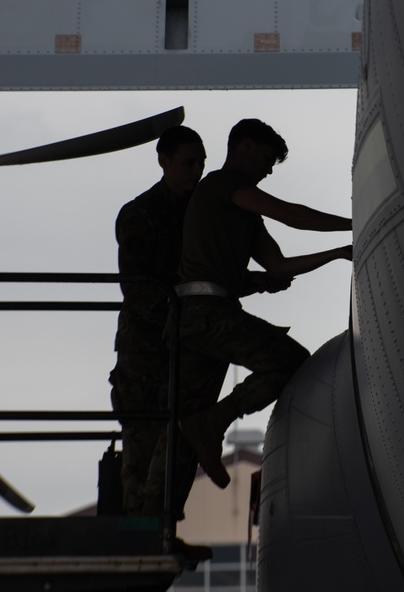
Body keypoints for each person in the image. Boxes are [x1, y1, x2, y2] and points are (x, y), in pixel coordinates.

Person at [153, 118, 351, 508]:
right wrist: (356, 224)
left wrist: (339, 253)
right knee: (289, 359)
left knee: (181, 424)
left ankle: (155, 516)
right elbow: (293, 215)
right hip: (205, 312)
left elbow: (277, 267)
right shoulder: (222, 185)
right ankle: (216, 421)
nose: (268, 169)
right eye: (266, 158)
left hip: (198, 319)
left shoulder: (241, 209)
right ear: (243, 147)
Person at [109, 125, 206, 517]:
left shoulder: (204, 210)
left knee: (181, 439)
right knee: (143, 441)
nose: (195, 170)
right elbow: (137, 287)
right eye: (187, 163)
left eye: (200, 163)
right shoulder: (140, 214)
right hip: (147, 349)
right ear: (163, 161)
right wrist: (179, 316)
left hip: (186, 343)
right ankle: (138, 534)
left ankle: (163, 530)